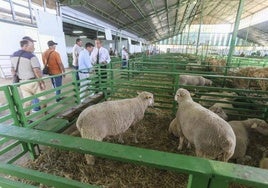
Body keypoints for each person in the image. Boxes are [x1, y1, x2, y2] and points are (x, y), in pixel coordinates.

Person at [10, 36, 46, 116]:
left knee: (27, 102)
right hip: (33, 82)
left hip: (22, 82)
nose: (34, 48)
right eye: (32, 46)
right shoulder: (31, 56)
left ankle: (26, 118)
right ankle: (45, 114)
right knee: (43, 98)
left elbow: (12, 70)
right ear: (25, 46)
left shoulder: (13, 55)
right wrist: (42, 82)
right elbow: (36, 70)